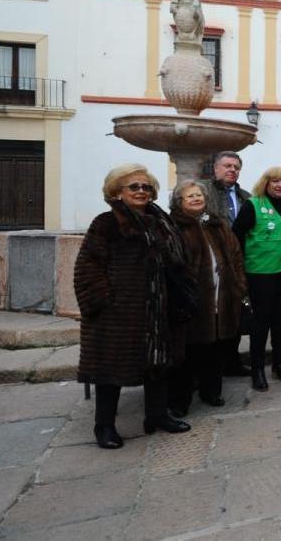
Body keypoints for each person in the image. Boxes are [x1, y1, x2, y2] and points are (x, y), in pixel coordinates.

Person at [74, 164, 191, 449]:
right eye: (134, 186)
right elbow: (87, 267)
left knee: (158, 363)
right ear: (117, 192)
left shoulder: (159, 220)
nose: (141, 191)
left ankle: (157, 415)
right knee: (109, 371)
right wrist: (103, 302)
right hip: (119, 311)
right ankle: (104, 427)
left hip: (158, 306)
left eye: (146, 187)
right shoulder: (106, 223)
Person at [167, 179, 248, 415]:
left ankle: (211, 392)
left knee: (214, 349)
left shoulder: (216, 224)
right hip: (191, 299)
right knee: (187, 352)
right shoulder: (173, 226)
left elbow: (235, 255)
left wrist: (239, 285)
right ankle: (180, 401)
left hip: (221, 296)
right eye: (189, 196)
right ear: (179, 201)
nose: (196, 199)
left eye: (199, 195)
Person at [232, 166, 281, 391]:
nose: (280, 185)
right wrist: (240, 269)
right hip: (261, 273)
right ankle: (258, 369)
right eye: (275, 181)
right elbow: (236, 238)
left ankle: (279, 365)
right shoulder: (253, 205)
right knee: (260, 323)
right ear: (266, 183)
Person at [204, 151, 252, 378]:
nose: (232, 170)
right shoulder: (204, 192)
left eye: (236, 167)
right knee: (214, 314)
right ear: (215, 168)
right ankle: (211, 366)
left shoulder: (245, 196)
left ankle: (232, 361)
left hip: (240, 261)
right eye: (227, 166)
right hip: (213, 262)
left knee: (237, 311)